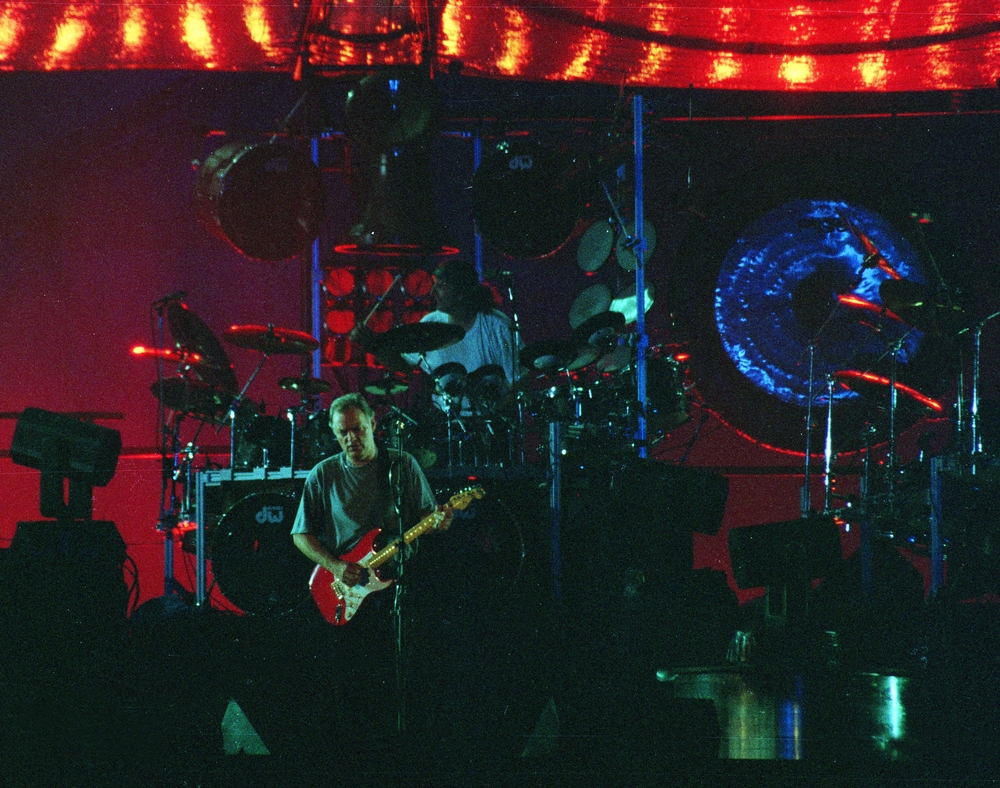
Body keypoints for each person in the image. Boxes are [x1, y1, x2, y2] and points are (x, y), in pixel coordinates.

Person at [290, 392, 451, 752]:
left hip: (399, 588)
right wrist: (336, 566)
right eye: (343, 432)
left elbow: (429, 517)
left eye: (358, 429)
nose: (351, 438)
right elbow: (300, 535)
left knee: (404, 677)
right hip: (347, 590)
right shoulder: (324, 474)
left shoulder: (401, 464)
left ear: (373, 424)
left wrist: (440, 521)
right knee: (352, 682)